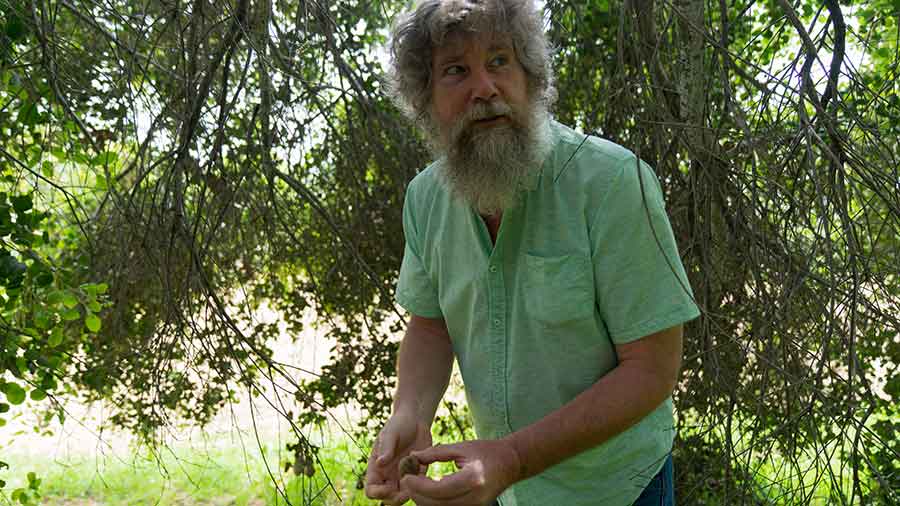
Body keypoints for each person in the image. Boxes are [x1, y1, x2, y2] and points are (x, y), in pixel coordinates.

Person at [365, 1, 700, 504]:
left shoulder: (611, 183)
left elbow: (651, 369)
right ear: (425, 97)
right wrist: (410, 412)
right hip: (509, 492)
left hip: (618, 490)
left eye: (499, 61)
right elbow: (432, 324)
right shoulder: (426, 199)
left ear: (531, 76)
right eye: (456, 70)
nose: (484, 88)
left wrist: (514, 457)